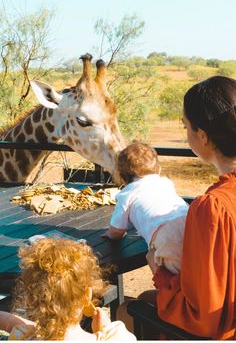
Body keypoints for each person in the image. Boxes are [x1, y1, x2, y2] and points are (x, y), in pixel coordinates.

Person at [142, 76, 236, 340]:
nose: (186, 135)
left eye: (186, 127)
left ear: (203, 136)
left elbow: (204, 317)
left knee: (131, 306)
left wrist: (157, 271)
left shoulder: (213, 208)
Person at [0, 238, 136, 341]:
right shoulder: (117, 337)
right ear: (86, 295)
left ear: (28, 300)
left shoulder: (22, 337)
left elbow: (11, 324)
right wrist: (103, 330)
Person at [102, 142, 189, 274]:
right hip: (190, 221)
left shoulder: (127, 193)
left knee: (176, 278)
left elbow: (117, 232)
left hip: (165, 235)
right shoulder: (165, 182)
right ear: (158, 169)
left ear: (123, 178)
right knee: (197, 267)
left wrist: (109, 234)